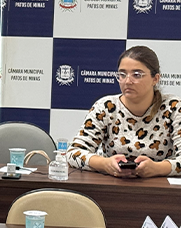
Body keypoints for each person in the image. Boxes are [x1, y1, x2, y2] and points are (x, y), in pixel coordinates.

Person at [67, 46, 181, 178]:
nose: (127, 81)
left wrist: (157, 168)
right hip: (114, 184)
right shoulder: (105, 107)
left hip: (160, 186)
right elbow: (73, 153)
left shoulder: (173, 108)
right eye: (122, 74)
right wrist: (105, 164)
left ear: (155, 79)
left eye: (137, 75)